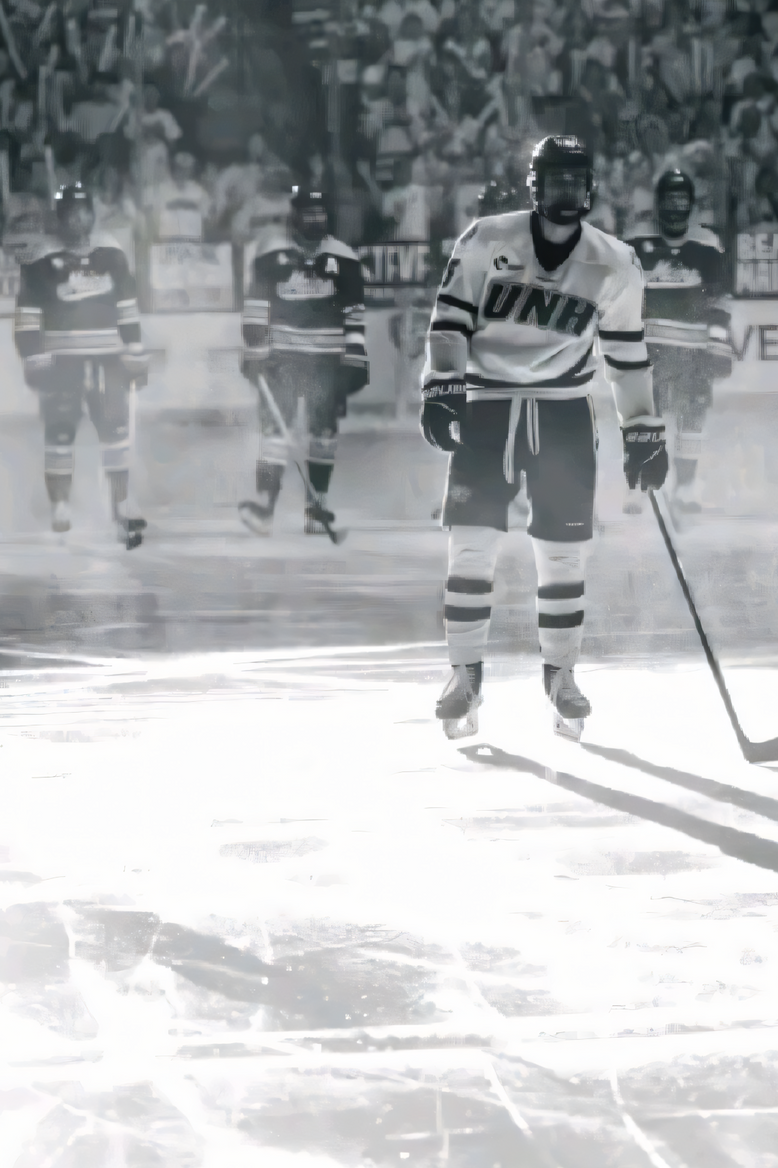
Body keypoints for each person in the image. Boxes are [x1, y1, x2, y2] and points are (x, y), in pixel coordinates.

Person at [420, 134, 668, 743]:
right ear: (534, 186)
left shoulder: (615, 262)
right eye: (552, 180)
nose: (563, 192)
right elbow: (448, 320)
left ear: (589, 188)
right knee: (471, 548)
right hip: (487, 407)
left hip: (563, 412)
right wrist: (441, 385)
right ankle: (464, 674)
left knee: (562, 553)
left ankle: (562, 675)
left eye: (572, 181)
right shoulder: (485, 239)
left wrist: (643, 431)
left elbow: (627, 357)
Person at [13, 181, 149, 547]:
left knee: (116, 431)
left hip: (108, 358)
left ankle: (121, 502)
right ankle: (60, 505)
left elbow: (127, 308)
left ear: (92, 214)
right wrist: (33, 355)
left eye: (84, 211)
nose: (79, 219)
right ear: (61, 217)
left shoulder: (112, 254)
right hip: (62, 360)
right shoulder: (41, 260)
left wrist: (135, 350)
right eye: (71, 213)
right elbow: (26, 316)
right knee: (60, 432)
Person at [238, 186, 368, 538]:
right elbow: (256, 308)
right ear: (293, 216)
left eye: (320, 213)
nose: (314, 219)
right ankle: (265, 505)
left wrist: (355, 357)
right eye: (307, 212)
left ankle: (318, 505)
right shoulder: (270, 255)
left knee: (323, 434)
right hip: (281, 358)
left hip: (325, 361)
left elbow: (354, 314)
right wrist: (254, 352)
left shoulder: (344, 258)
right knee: (274, 435)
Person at [627, 167, 733, 516]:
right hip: (648, 351)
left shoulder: (707, 244)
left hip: (693, 352)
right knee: (645, 421)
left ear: (691, 204)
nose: (675, 206)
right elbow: (621, 299)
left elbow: (719, 301)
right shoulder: (637, 242)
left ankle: (686, 488)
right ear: (658, 203)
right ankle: (643, 485)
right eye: (669, 199)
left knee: (692, 420)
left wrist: (718, 344)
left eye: (681, 199)